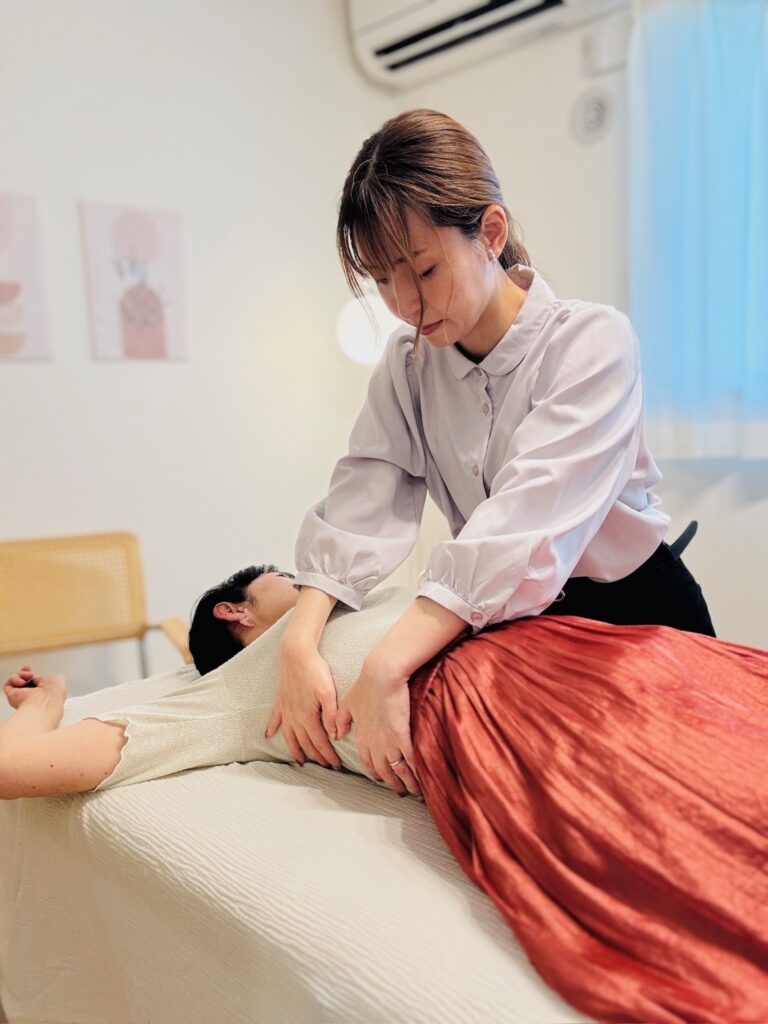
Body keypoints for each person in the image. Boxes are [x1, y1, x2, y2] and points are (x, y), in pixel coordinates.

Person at [1, 563, 766, 1022]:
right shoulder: (235, 692)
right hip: (507, 712)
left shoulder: (388, 594)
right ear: (235, 611)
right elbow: (14, 770)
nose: (306, 575)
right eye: (280, 572)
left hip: (591, 649)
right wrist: (49, 703)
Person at [269, 108, 716, 797]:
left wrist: (387, 664)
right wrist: (298, 643)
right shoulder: (408, 365)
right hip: (520, 629)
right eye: (383, 280)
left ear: (491, 233)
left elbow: (522, 522)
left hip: (639, 619)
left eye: (423, 270)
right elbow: (364, 497)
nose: (405, 304)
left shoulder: (591, 343)